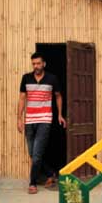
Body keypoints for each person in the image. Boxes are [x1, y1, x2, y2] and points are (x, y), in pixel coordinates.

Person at [18, 52, 66, 194]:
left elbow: (58, 96)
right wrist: (19, 118)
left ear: (44, 64)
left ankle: (32, 183)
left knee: (37, 154)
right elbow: (22, 99)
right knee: (33, 153)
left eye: (38, 63)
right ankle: (51, 173)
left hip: (45, 119)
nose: (36, 66)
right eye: (34, 64)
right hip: (29, 120)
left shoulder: (52, 78)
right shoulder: (26, 78)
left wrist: (60, 115)